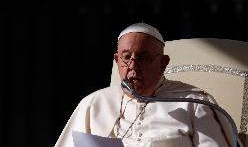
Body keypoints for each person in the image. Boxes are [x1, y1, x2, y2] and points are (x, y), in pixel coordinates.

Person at [54, 23, 233, 147]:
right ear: (117, 60)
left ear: (163, 63)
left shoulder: (195, 104)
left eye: (143, 58)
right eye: (126, 57)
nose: (132, 66)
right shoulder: (93, 104)